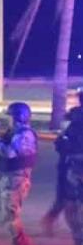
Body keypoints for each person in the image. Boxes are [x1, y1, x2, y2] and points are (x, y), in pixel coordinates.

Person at [0, 102, 38, 245]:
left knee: (10, 216)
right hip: (9, 177)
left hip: (16, 179)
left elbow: (10, 153)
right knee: (9, 215)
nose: (7, 119)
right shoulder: (15, 132)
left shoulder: (25, 134)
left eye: (9, 116)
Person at [43, 86, 83, 236]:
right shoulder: (73, 116)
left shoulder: (72, 116)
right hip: (70, 162)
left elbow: (61, 139)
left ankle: (50, 219)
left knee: (66, 196)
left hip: (69, 163)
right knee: (67, 197)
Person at [54, 108, 83, 245]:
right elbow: (60, 143)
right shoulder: (74, 120)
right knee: (74, 219)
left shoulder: (75, 119)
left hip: (75, 171)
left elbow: (61, 143)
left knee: (76, 220)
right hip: (73, 171)